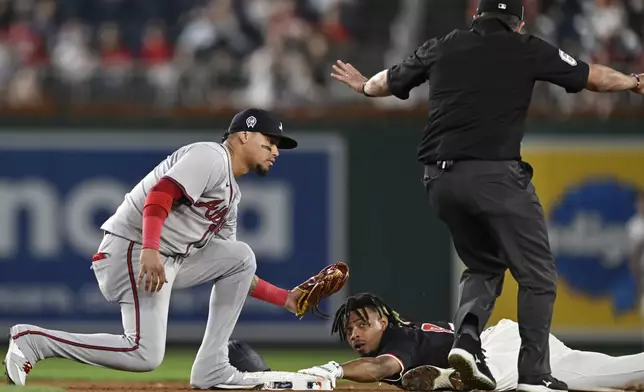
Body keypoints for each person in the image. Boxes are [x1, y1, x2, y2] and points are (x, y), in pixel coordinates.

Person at [329, 0, 644, 391]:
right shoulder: (526, 46)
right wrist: (634, 81)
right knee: (538, 275)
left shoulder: (443, 44)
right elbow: (593, 77)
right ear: (518, 22)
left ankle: (467, 344)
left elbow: (384, 84)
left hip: (439, 179)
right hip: (493, 175)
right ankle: (534, 375)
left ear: (475, 16)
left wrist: (361, 85)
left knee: (482, 267)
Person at [3, 108, 323, 389]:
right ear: (242, 136)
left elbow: (232, 270)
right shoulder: (210, 156)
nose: (275, 151)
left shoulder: (230, 198)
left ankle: (212, 368)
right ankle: (34, 341)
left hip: (163, 259)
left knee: (240, 258)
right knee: (144, 353)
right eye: (269, 142)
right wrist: (150, 249)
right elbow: (160, 195)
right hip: (132, 248)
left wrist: (286, 299)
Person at [291, 293, 644, 391]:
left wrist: (334, 369)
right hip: (508, 341)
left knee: (496, 387)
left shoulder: (397, 338)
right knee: (608, 373)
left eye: (361, 325)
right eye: (349, 329)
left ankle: (450, 380)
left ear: (383, 322)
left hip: (498, 351)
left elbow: (382, 367)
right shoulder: (401, 336)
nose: (353, 333)